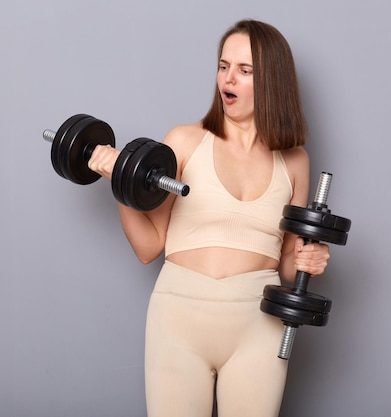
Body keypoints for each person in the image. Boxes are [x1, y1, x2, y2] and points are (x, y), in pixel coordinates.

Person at [88, 19, 330, 417]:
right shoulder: (183, 142)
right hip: (178, 320)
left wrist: (310, 258)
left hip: (259, 325)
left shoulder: (295, 161)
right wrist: (120, 183)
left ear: (272, 81)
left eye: (244, 70)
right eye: (223, 66)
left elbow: (288, 263)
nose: (227, 79)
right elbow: (149, 247)